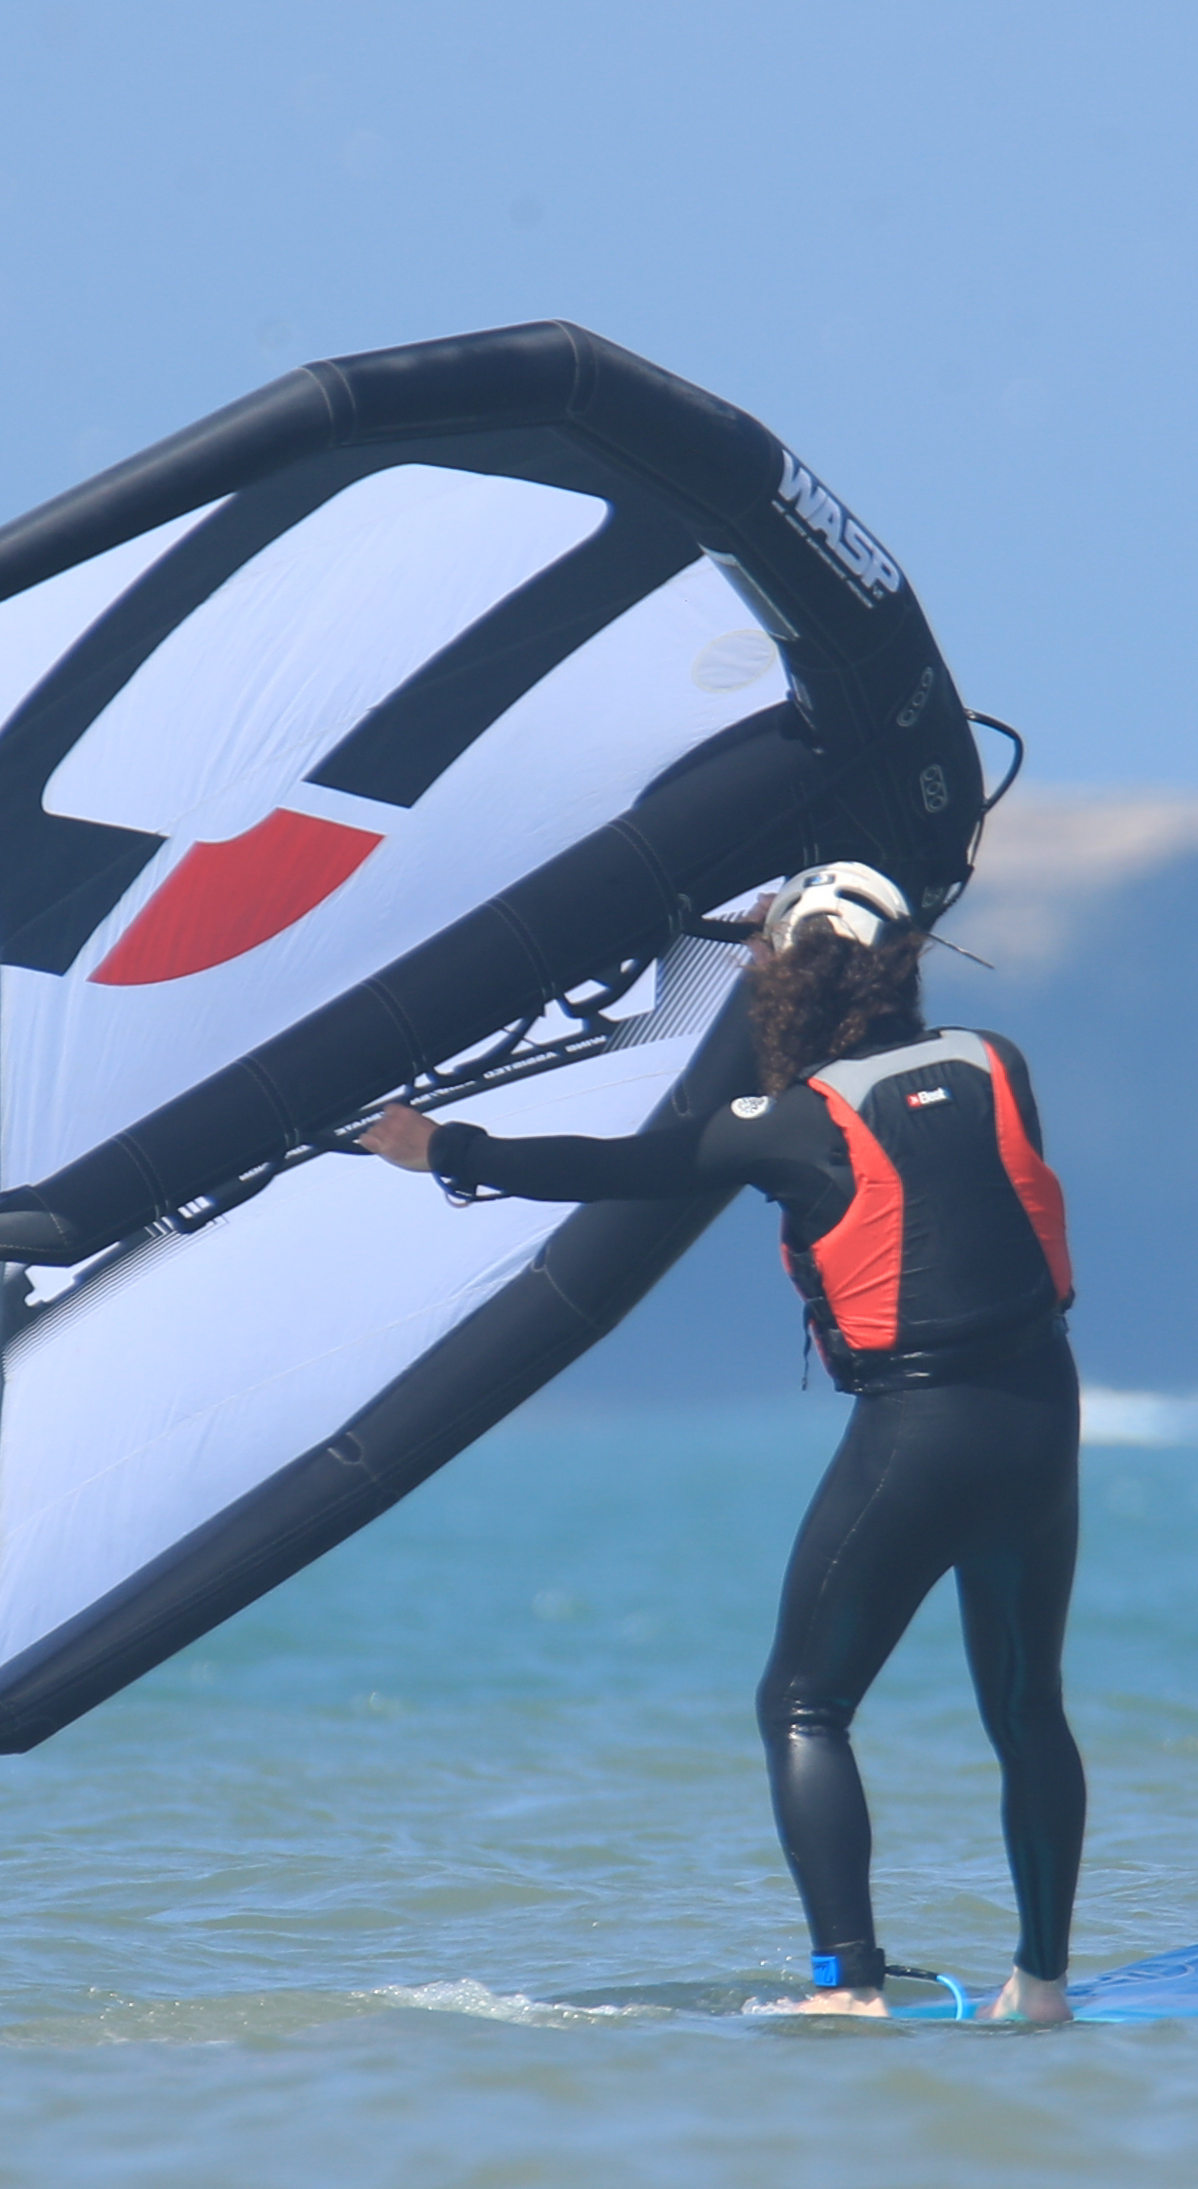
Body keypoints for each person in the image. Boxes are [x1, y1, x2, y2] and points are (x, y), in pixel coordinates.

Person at [366, 862, 1087, 2024]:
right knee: (1026, 1706)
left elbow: (621, 1171)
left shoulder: (787, 1128)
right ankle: (1043, 1985)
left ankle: (846, 1987)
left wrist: (441, 1147)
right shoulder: (1000, 1063)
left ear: (798, 977)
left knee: (804, 1706)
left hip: (918, 1427)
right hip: (1042, 1416)